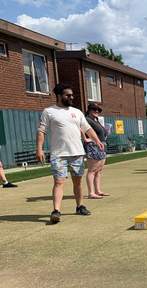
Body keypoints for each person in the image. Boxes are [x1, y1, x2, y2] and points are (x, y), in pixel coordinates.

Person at [36, 84, 104, 224]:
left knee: (77, 182)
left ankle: (80, 206)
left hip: (77, 153)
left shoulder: (77, 112)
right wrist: (39, 149)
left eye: (72, 95)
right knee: (59, 181)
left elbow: (87, 128)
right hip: (58, 154)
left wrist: (97, 141)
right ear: (59, 96)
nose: (71, 97)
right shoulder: (49, 112)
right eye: (68, 95)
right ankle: (56, 211)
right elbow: (41, 131)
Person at [83, 103, 108, 199]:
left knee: (98, 170)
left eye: (99, 110)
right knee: (92, 170)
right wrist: (85, 139)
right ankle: (91, 192)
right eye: (94, 109)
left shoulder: (95, 120)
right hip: (93, 146)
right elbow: (81, 129)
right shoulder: (86, 119)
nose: (97, 111)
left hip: (101, 145)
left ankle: (98, 190)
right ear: (89, 110)